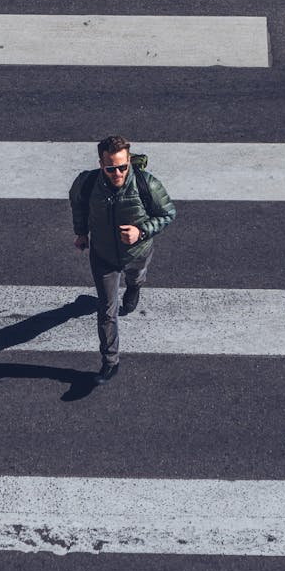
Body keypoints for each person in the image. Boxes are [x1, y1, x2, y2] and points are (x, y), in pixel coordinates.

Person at [69, 135, 176, 385]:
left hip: (137, 254)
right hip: (103, 257)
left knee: (136, 277)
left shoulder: (146, 184)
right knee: (107, 311)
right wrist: (81, 232)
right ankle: (110, 362)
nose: (117, 173)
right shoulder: (87, 183)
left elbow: (168, 213)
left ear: (129, 161)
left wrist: (142, 231)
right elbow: (78, 204)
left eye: (122, 167)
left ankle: (135, 286)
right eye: (110, 168)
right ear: (101, 164)